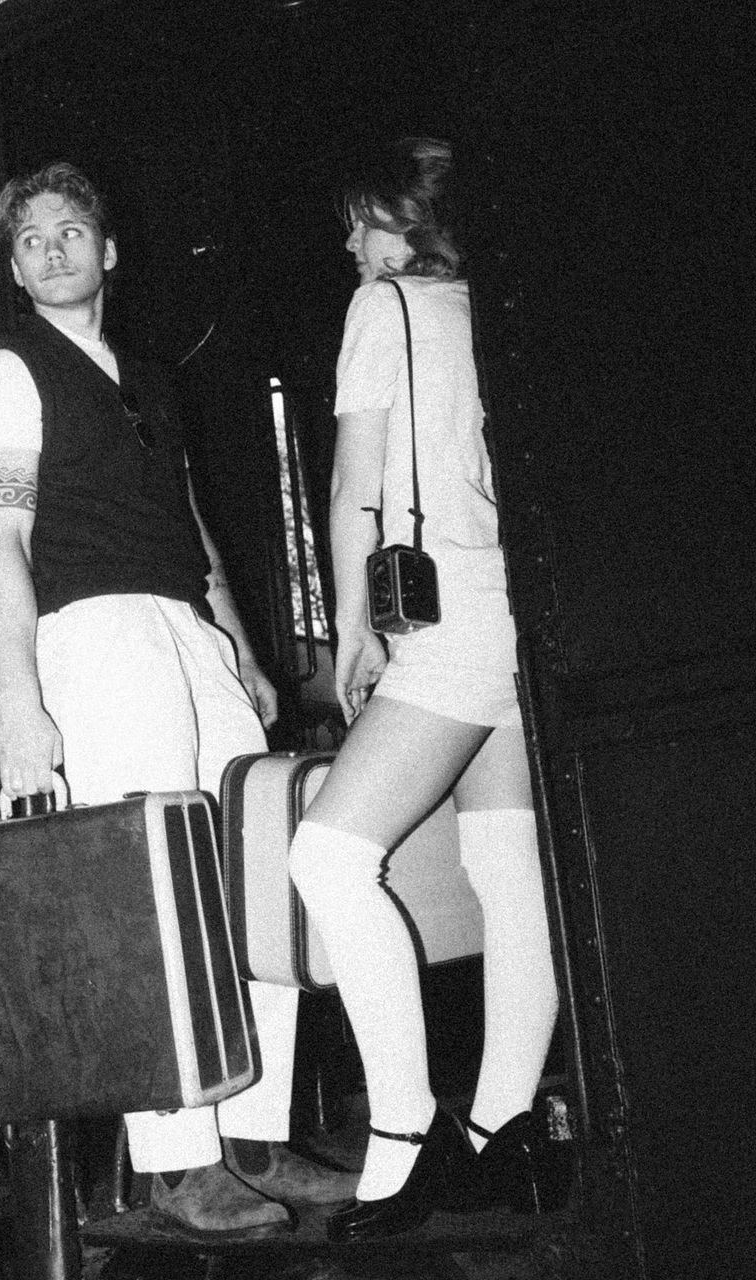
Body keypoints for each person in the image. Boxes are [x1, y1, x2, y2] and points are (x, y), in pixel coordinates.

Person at [0, 161, 357, 1239]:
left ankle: (258, 1135)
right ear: (15, 266)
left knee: (252, 875)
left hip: (187, 629)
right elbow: (1, 544)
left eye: (70, 231)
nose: (51, 250)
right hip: (93, 630)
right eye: (30, 239)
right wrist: (20, 705)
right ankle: (179, 1158)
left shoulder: (148, 377)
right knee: (154, 888)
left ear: (108, 249)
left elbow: (189, 522)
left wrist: (238, 648)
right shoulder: (5, 370)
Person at [287, 137, 560, 1242]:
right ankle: (504, 1135)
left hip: (444, 618)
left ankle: (406, 1134)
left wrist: (351, 626)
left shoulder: (384, 307)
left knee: (325, 856)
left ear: (408, 222)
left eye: (366, 221)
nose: (353, 245)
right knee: (509, 875)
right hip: (517, 608)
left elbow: (354, 481)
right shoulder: (491, 309)